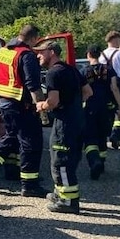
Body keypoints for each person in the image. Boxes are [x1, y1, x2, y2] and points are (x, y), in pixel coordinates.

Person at [0, 24, 49, 197]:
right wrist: (42, 108)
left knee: (12, 138)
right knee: (31, 143)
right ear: (33, 38)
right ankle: (29, 185)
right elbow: (33, 85)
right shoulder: (26, 55)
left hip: (4, 103)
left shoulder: (3, 51)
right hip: (20, 105)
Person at [35, 41, 92, 214]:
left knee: (60, 162)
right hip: (77, 121)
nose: (38, 55)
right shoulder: (72, 69)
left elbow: (53, 101)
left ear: (51, 52)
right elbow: (88, 92)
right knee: (71, 159)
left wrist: (41, 106)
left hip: (63, 124)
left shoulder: (53, 73)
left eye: (41, 52)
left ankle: (68, 202)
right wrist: (73, 105)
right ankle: (61, 195)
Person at [81, 44, 120, 179]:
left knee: (89, 138)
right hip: (106, 108)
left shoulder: (84, 71)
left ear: (88, 55)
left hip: (90, 108)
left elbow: (82, 92)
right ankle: (102, 163)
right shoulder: (109, 69)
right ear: (99, 55)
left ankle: (94, 162)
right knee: (102, 137)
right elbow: (114, 88)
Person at [99, 31, 120, 149]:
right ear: (114, 40)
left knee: (110, 110)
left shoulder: (102, 55)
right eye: (119, 40)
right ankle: (116, 134)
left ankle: (106, 134)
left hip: (105, 86)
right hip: (118, 83)